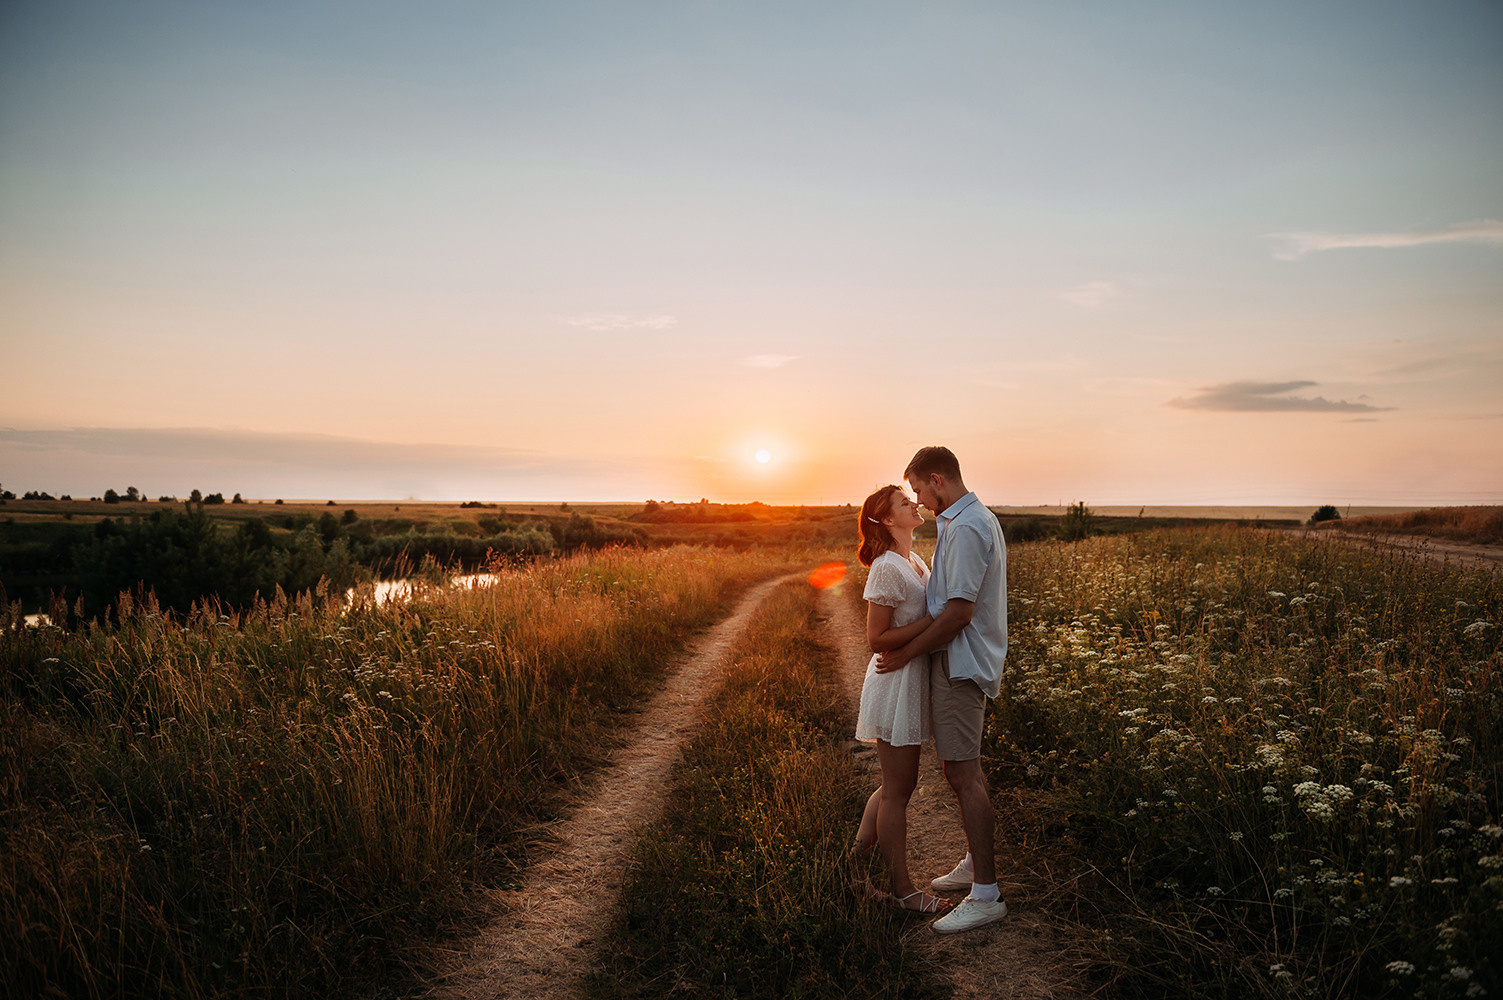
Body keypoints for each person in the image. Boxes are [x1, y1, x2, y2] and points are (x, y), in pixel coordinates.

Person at [875, 446, 1008, 934]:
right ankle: (974, 865)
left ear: (936, 480)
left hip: (961, 662)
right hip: (957, 661)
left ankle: (987, 894)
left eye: (917, 490)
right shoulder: (960, 521)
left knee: (964, 775)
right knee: (962, 770)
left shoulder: (968, 527)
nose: (917, 500)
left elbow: (958, 614)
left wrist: (905, 653)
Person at [850, 484, 954, 915]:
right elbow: (876, 639)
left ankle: (852, 871)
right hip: (893, 682)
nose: (914, 504)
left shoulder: (914, 561)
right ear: (888, 520)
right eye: (903, 502)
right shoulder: (886, 567)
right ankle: (904, 892)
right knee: (898, 790)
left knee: (895, 786)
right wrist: (933, 622)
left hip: (909, 679)